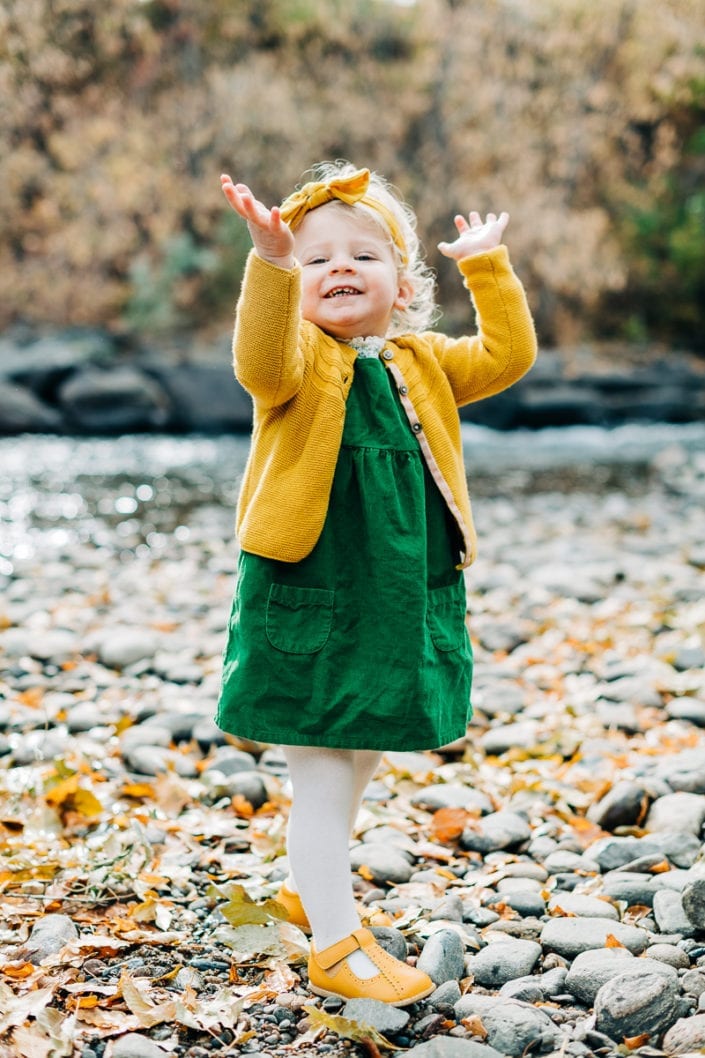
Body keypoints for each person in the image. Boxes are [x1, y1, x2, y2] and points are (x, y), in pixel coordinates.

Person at [216, 161, 537, 1006]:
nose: (341, 270)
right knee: (321, 760)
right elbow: (257, 354)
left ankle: (304, 882)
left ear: (402, 286)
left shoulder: (422, 361)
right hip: (310, 587)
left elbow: (508, 354)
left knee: (361, 744)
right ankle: (333, 943)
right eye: (318, 261)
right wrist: (270, 260)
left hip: (395, 590)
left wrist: (485, 265)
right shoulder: (293, 366)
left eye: (365, 255)